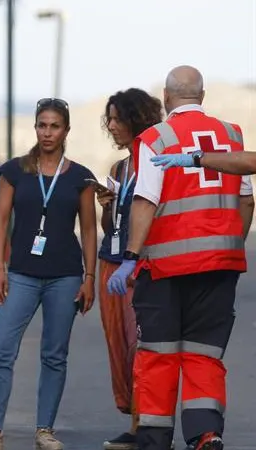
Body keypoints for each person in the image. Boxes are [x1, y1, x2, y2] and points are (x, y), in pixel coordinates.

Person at [107, 65, 253, 450]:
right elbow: (246, 198)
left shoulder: (156, 138)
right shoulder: (232, 134)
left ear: (167, 98)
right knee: (205, 354)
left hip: (166, 266)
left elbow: (145, 201)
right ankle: (205, 433)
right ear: (202, 97)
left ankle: (154, 437)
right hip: (219, 266)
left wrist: (130, 256)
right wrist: (229, 244)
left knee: (158, 353)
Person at [0, 98, 97, 450]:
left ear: (66, 131)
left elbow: (88, 230)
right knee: (0, 350)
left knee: (54, 355)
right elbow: (0, 220)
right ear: (35, 128)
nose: (47, 132)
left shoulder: (80, 177)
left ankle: (45, 430)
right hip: (21, 274)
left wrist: (90, 277)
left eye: (54, 126)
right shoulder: (15, 171)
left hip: (66, 276)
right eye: (42, 125)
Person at [95, 89, 163, 450]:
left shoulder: (156, 162)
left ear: (138, 119)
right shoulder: (118, 168)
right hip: (111, 260)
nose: (112, 125)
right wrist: (106, 207)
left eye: (119, 118)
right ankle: (134, 417)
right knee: (118, 345)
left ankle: (143, 424)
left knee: (141, 346)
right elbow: (113, 226)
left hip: (140, 265)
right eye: (110, 118)